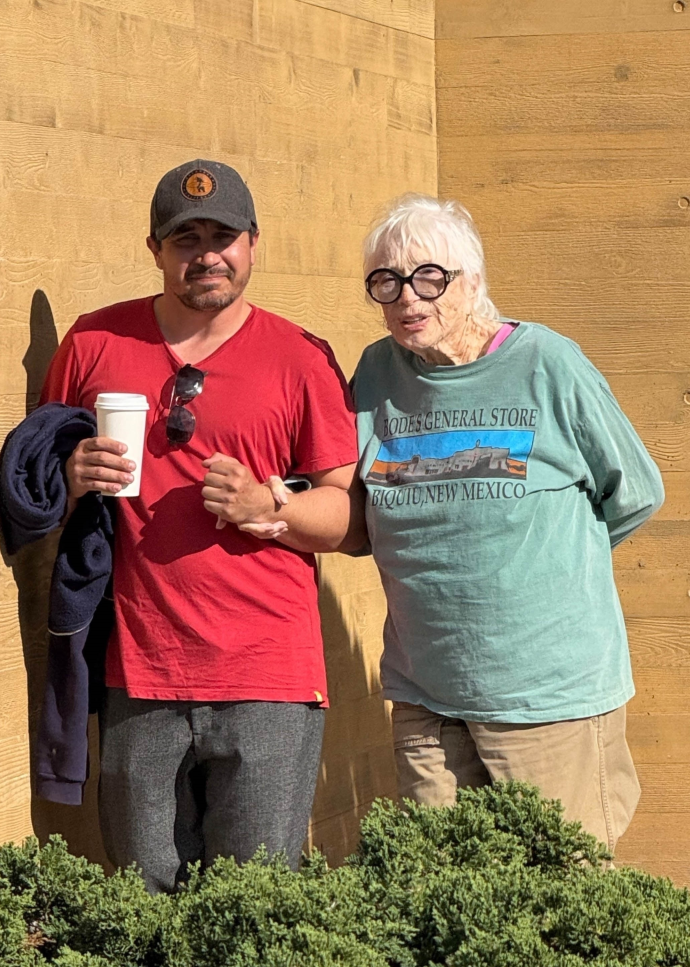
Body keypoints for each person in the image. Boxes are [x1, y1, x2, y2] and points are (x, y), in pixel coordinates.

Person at [40, 160, 363, 893]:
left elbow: (345, 516)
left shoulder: (299, 357)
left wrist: (268, 508)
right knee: (143, 898)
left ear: (253, 244)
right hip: (139, 671)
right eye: (185, 237)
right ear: (155, 248)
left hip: (268, 677)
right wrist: (68, 480)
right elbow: (34, 481)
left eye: (224, 235)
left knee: (253, 908)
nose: (206, 253)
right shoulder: (93, 344)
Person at [350, 193, 664, 851]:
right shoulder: (378, 373)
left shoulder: (547, 363)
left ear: (472, 281)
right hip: (425, 696)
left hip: (549, 701)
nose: (408, 299)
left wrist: (546, 560)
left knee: (562, 907)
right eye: (387, 282)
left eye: (428, 278)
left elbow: (634, 490)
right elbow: (356, 502)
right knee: (440, 905)